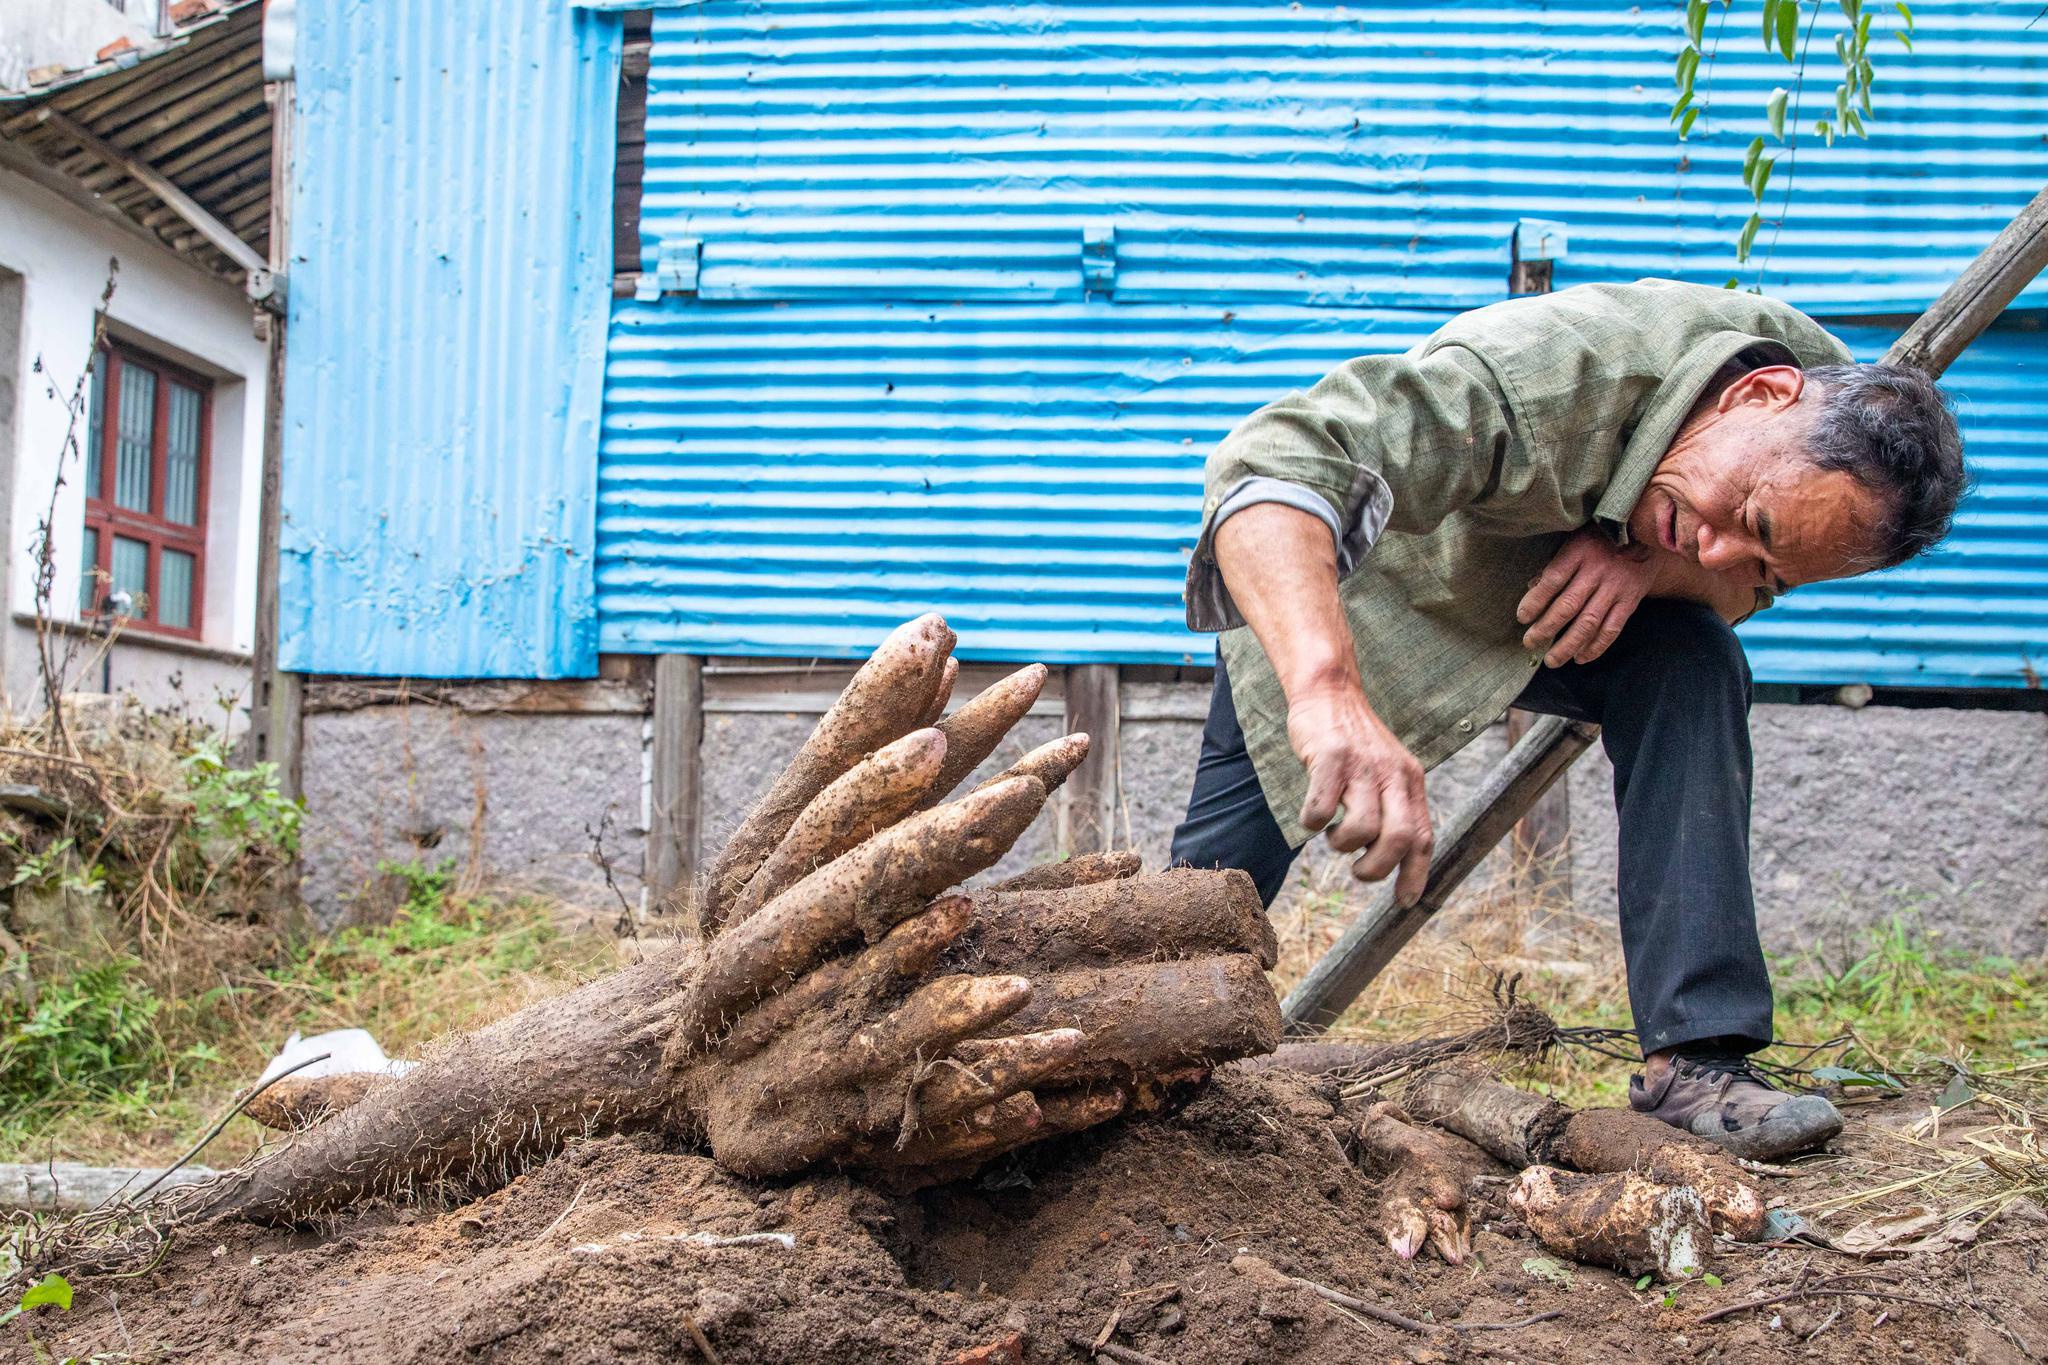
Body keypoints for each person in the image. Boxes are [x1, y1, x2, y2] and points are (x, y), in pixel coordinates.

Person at [1172, 278, 1966, 1159]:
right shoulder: (1545, 379)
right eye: (1745, 517)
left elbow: (1730, 578)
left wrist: (1645, 556)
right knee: (1197, 904)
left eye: (1767, 563)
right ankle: (1129, 1063)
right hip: (1365, 603)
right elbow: (1276, 461)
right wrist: (1325, 689)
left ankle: (1696, 1063)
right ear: (1755, 396)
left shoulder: (1829, 411)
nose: (1719, 552)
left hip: (1565, 612)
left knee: (1695, 660)